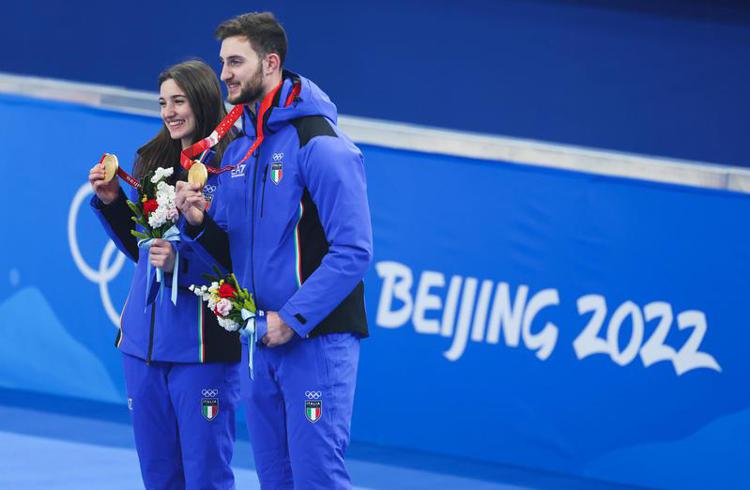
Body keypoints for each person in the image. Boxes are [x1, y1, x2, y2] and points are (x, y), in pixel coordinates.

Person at [175, 12, 373, 489]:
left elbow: (354, 249)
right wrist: (199, 224)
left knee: (317, 478)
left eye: (235, 62)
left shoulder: (320, 144)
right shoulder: (239, 150)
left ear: (271, 63)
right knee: (275, 480)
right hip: (260, 340)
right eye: (222, 62)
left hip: (315, 340)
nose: (224, 74)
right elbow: (229, 247)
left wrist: (293, 319)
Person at [89, 60, 241, 490]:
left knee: (206, 478)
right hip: (143, 346)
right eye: (162, 103)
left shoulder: (234, 165)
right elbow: (142, 251)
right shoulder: (151, 157)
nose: (169, 112)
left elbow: (238, 259)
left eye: (179, 101)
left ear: (204, 100)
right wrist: (113, 201)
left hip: (202, 349)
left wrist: (183, 259)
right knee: (158, 478)